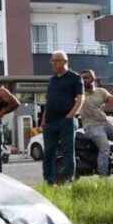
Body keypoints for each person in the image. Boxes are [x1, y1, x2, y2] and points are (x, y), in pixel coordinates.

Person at [41, 51, 84, 185]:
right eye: (52, 61)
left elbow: (80, 98)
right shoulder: (52, 80)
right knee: (48, 153)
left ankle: (67, 181)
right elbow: (48, 102)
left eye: (56, 60)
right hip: (50, 122)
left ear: (65, 61)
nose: (53, 63)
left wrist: (70, 116)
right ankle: (48, 181)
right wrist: (43, 120)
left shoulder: (75, 77)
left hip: (66, 121)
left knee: (67, 153)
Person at [79, 70, 113, 176]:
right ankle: (103, 175)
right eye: (82, 78)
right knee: (105, 147)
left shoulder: (101, 92)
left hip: (105, 124)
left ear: (93, 79)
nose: (83, 80)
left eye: (86, 77)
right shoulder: (79, 94)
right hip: (92, 127)